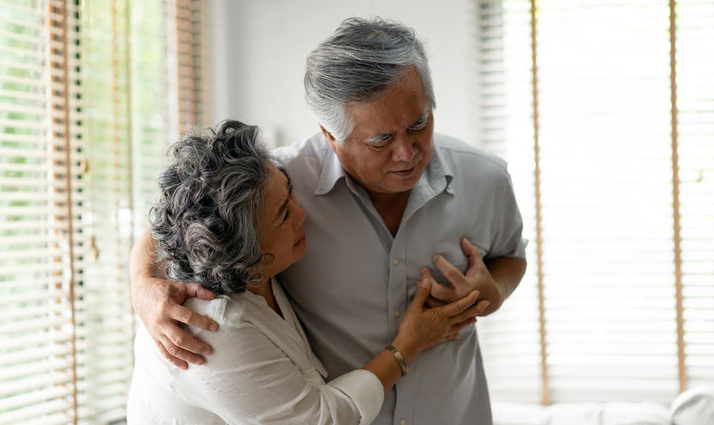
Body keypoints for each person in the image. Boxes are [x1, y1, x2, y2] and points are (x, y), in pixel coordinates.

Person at [130, 17, 527, 424]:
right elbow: (180, 226)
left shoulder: (486, 179)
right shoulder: (276, 188)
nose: (407, 153)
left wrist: (493, 290)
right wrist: (142, 286)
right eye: (381, 140)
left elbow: (512, 259)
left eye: (419, 124)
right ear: (329, 134)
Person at [126, 120, 485, 424]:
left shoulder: (249, 253)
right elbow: (324, 418)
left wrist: (140, 280)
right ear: (245, 256)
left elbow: (173, 221)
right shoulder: (213, 330)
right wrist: (409, 344)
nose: (302, 215)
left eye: (290, 194)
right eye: (284, 215)